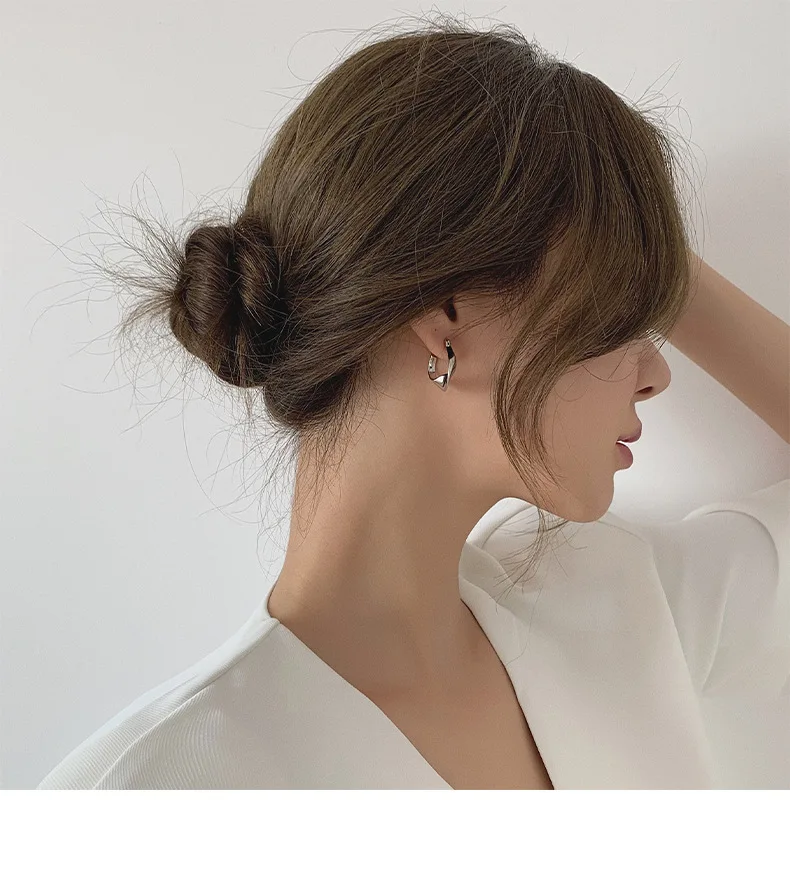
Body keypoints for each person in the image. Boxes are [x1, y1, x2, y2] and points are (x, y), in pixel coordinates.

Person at [36, 18, 789, 790]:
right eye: (620, 313)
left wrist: (641, 242)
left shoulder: (609, 600)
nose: (655, 373)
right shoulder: (153, 790)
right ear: (447, 317)